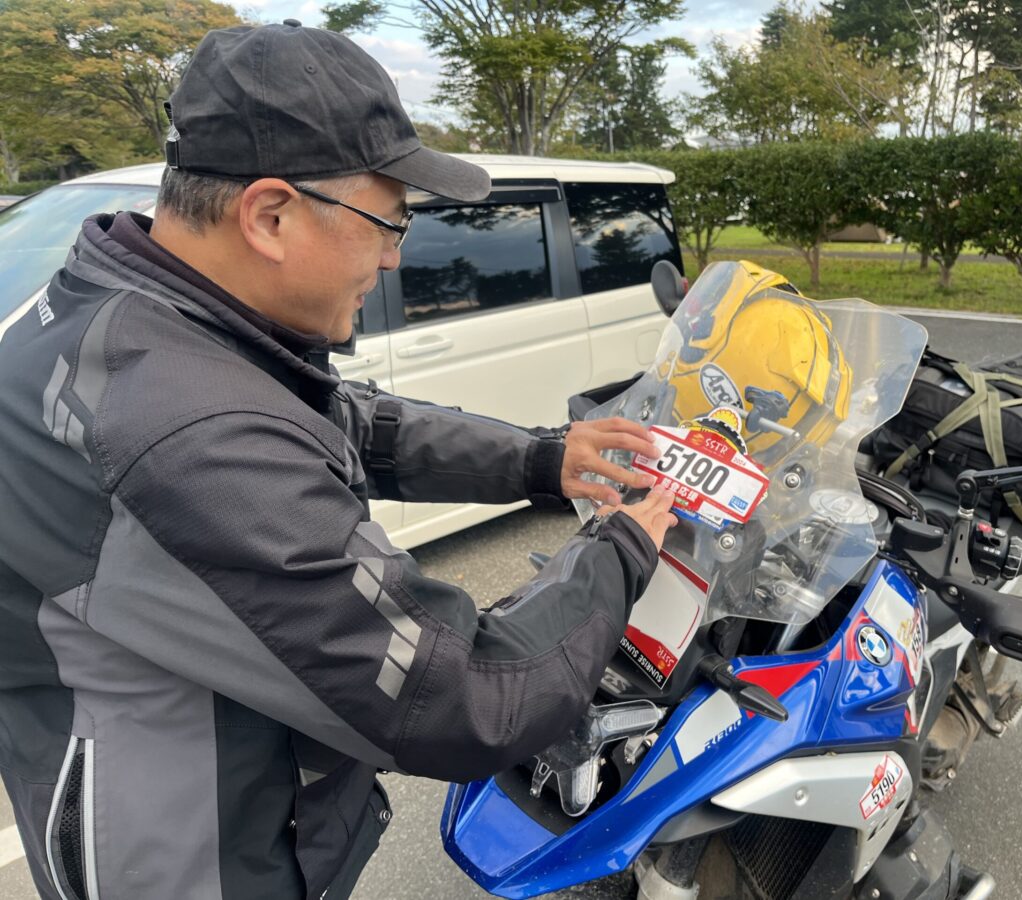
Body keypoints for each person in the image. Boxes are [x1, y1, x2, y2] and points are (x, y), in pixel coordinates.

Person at [0, 20, 677, 900]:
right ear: (270, 215)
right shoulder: (187, 431)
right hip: (198, 864)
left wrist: (542, 461)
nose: (396, 255)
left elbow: (338, 416)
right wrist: (621, 550)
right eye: (388, 221)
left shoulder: (126, 312)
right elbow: (464, 697)